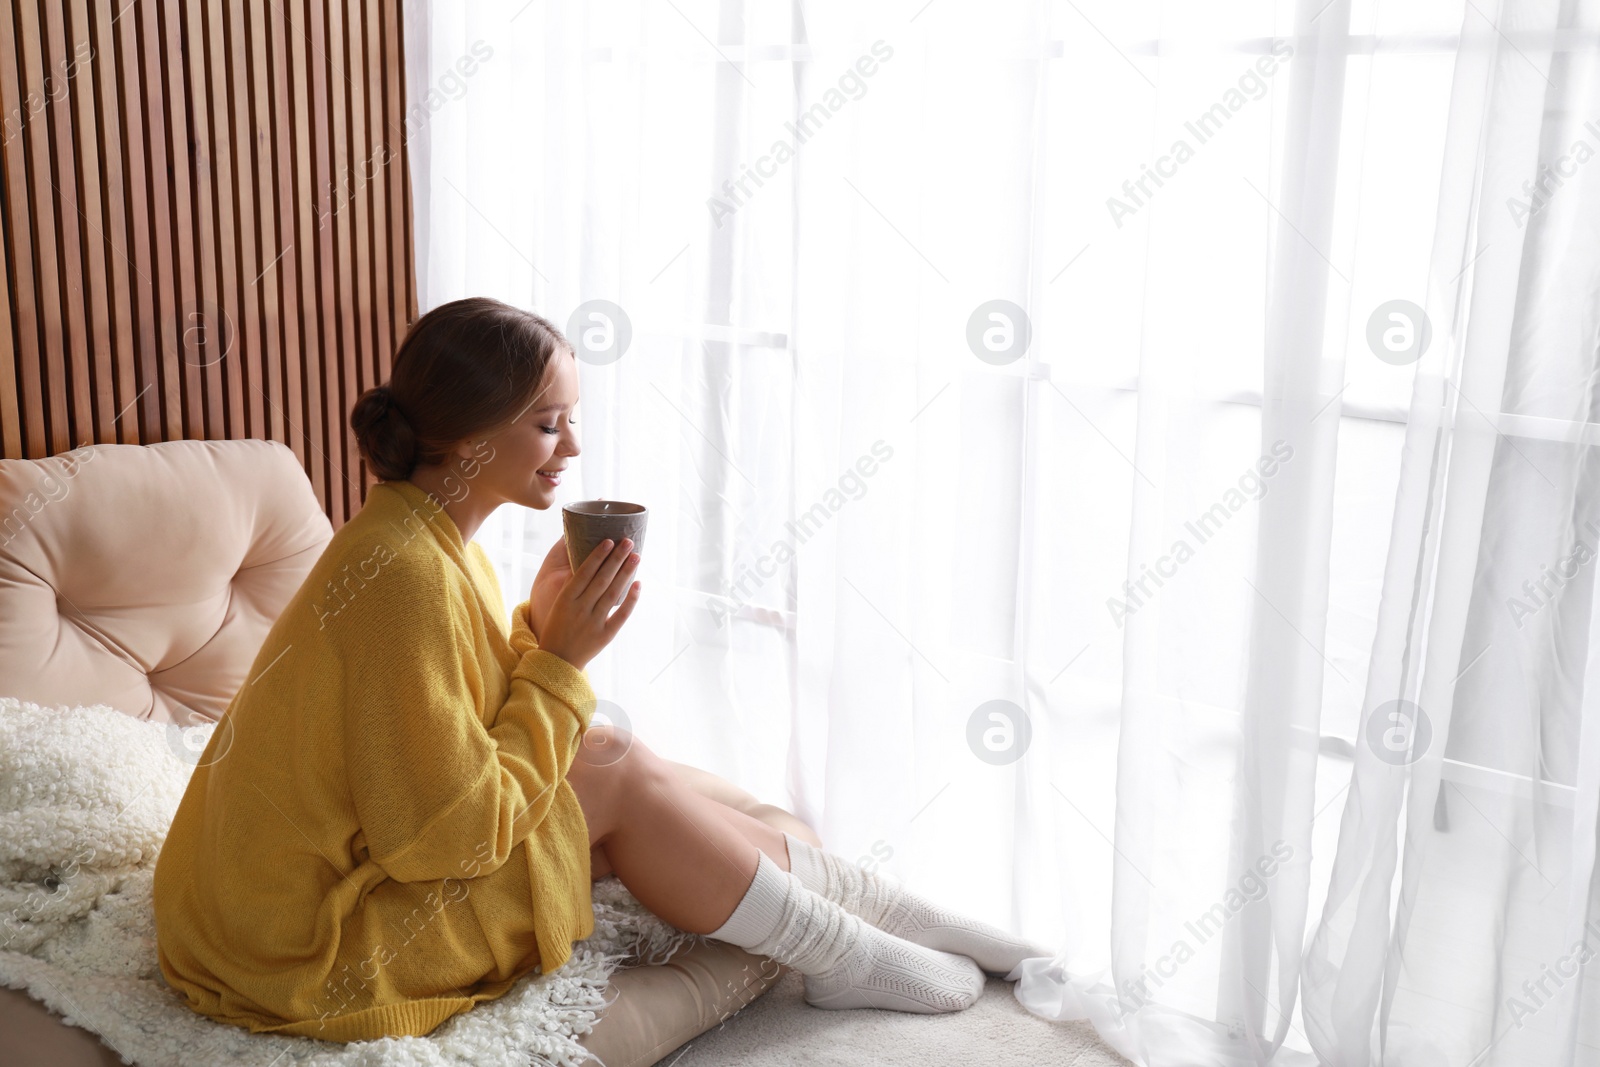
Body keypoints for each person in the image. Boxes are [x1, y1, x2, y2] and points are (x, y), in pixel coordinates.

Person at [152, 296, 1050, 1042]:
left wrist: (539, 636)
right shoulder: (405, 572)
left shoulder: (418, 534)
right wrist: (560, 660)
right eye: (549, 424)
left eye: (571, 419)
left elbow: (444, 713)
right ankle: (846, 950)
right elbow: (448, 838)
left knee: (608, 749)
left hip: (273, 901)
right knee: (611, 773)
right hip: (307, 945)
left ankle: (874, 914)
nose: (573, 448)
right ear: (467, 437)